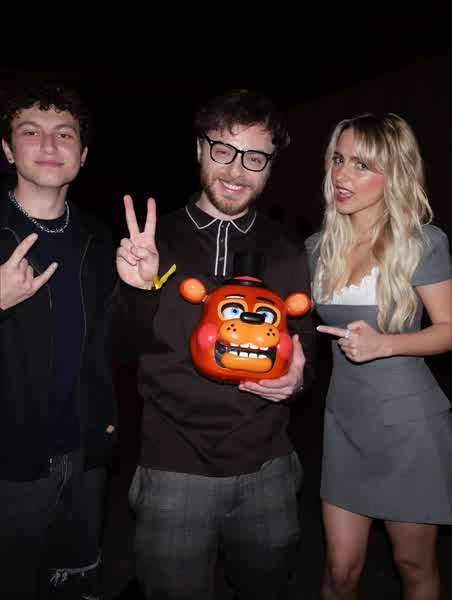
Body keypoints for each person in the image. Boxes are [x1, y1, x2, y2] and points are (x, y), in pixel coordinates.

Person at [115, 88, 316, 600]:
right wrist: (138, 289)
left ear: (270, 166)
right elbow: (122, 344)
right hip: (173, 466)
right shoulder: (156, 240)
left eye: (255, 157)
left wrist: (297, 381)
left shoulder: (287, 249)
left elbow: (308, 351)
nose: (236, 170)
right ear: (200, 148)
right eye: (223, 149)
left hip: (268, 467)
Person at [305, 112, 452, 600]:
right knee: (340, 570)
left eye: (362, 165)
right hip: (344, 423)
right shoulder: (317, 248)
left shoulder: (422, 243)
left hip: (409, 427)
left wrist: (385, 343)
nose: (342, 175)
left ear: (395, 174)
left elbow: (448, 330)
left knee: (414, 564)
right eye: (338, 159)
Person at [0, 82, 117, 599]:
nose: (49, 145)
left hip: (85, 455)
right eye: (31, 131)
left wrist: (145, 290)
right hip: (8, 464)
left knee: (74, 586)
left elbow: (127, 341)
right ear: (8, 150)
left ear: (83, 154)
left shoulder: (101, 239)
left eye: (64, 134)